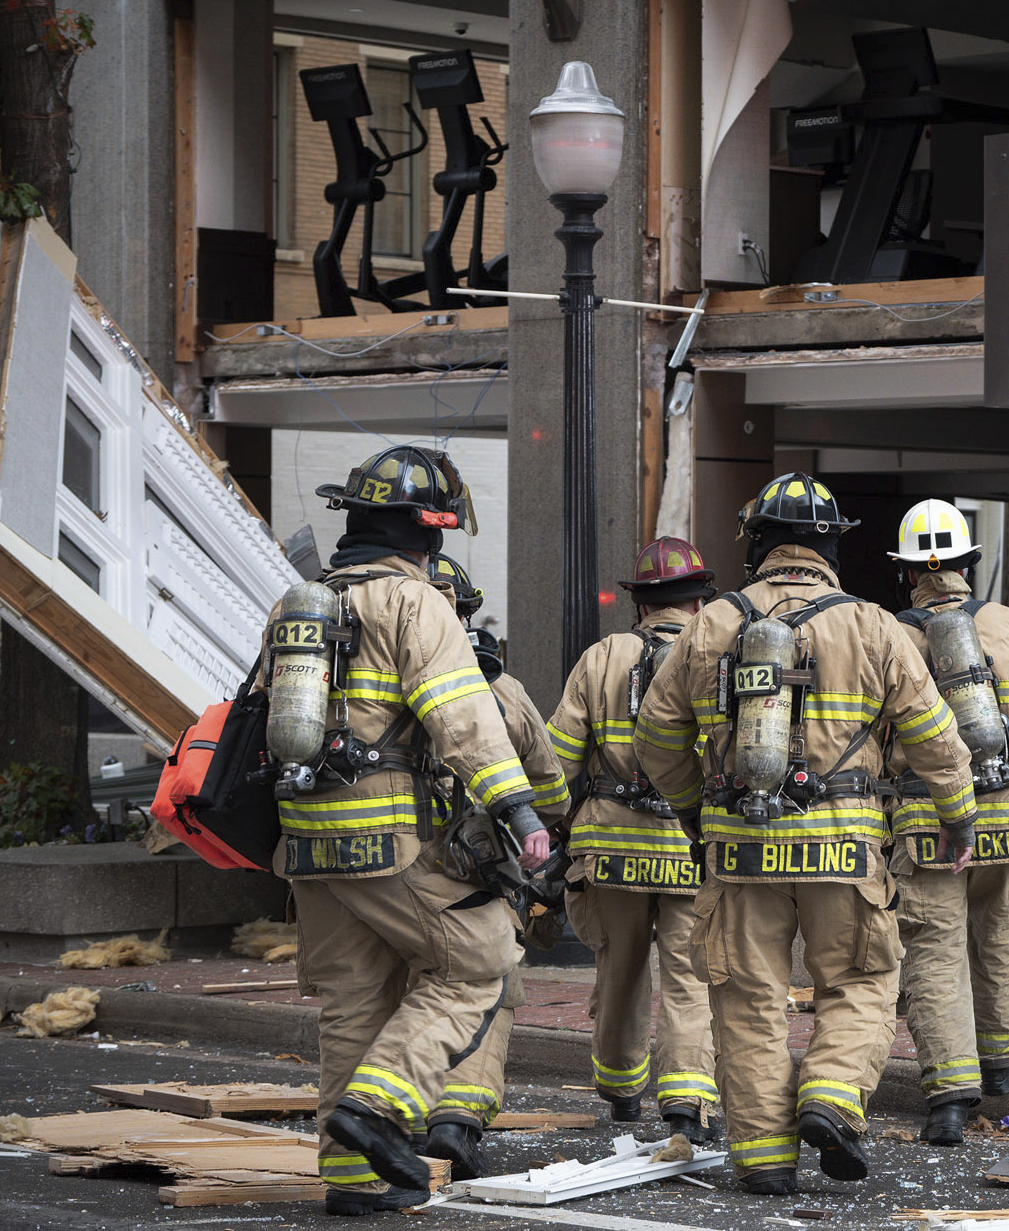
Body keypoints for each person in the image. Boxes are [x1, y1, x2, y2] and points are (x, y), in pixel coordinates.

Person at [635, 473, 976, 1195]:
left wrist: (695, 809)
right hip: (844, 847)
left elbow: (656, 736)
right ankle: (831, 1095)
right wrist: (959, 814)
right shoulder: (872, 624)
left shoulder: (711, 623)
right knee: (860, 979)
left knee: (746, 998)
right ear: (831, 548)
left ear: (757, 544)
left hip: (738, 847)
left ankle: (763, 1157)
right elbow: (934, 733)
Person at [278, 446, 550, 1216]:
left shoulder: (302, 603)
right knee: (481, 958)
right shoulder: (415, 601)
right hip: (389, 833)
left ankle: (353, 1177)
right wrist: (518, 808)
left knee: (354, 998)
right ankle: (378, 1109)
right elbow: (460, 714)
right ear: (427, 531)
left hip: (307, 838)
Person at [883, 500, 1009, 1146]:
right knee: (1001, 930)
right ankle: (1000, 1064)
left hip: (930, 817)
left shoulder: (891, 633)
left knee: (935, 949)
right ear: (968, 565)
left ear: (908, 573)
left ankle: (951, 1098)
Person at [546, 536, 721, 1140]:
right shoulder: (717, 654)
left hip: (612, 846)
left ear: (640, 603)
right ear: (698, 602)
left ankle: (622, 1093)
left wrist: (556, 827)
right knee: (689, 976)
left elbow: (558, 759)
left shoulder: (602, 656)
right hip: (692, 846)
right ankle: (686, 1102)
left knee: (619, 969)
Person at [418, 556, 570, 1180]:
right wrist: (535, 827)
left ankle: (383, 1117)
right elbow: (549, 787)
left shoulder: (364, 679)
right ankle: (456, 1118)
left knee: (391, 989)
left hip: (384, 865)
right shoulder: (500, 691)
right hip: (476, 873)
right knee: (488, 987)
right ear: (464, 615)